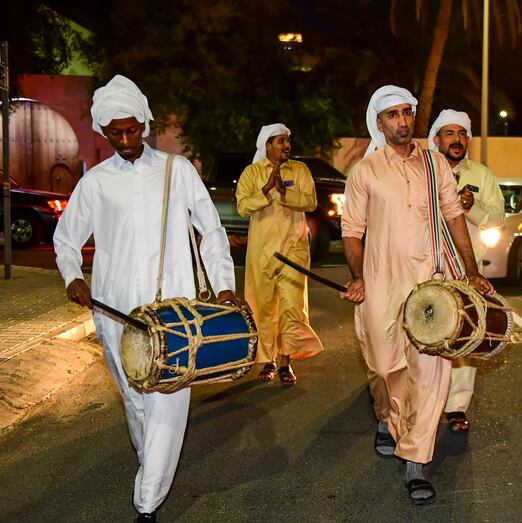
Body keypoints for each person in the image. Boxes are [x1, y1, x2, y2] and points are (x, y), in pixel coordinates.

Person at [53, 75, 244, 522]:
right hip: (114, 311)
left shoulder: (178, 171)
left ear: (146, 123)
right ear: (104, 132)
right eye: (115, 133)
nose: (125, 140)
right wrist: (71, 277)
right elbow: (66, 239)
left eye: (132, 130)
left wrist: (224, 287)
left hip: (173, 315)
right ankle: (150, 474)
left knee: (166, 406)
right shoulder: (96, 183)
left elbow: (211, 231)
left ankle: (146, 504)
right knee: (136, 402)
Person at [340, 85, 494, 504]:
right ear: (379, 122)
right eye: (393, 115)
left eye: (408, 113)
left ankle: (415, 459)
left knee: (429, 373)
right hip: (379, 281)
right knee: (385, 367)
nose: (403, 122)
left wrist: (471, 271)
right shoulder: (364, 172)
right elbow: (352, 231)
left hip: (430, 282)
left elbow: (454, 217)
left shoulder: (435, 164)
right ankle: (387, 417)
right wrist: (358, 276)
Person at [428, 109, 505, 432]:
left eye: (462, 134)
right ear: (436, 139)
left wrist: (472, 208)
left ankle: (457, 406)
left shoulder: (482, 174)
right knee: (427, 328)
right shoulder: (424, 169)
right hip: (429, 265)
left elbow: (497, 219)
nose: (457, 139)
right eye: (449, 133)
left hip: (467, 270)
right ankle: (426, 398)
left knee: (463, 332)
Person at [236, 124, 323, 385]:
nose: (287, 146)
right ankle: (268, 359)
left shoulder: (300, 170)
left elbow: (310, 202)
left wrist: (284, 192)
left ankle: (286, 361)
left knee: (291, 306)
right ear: (268, 145)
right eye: (281, 141)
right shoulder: (252, 173)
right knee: (263, 307)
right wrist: (265, 191)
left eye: (288, 141)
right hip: (262, 252)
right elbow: (242, 207)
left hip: (293, 249)